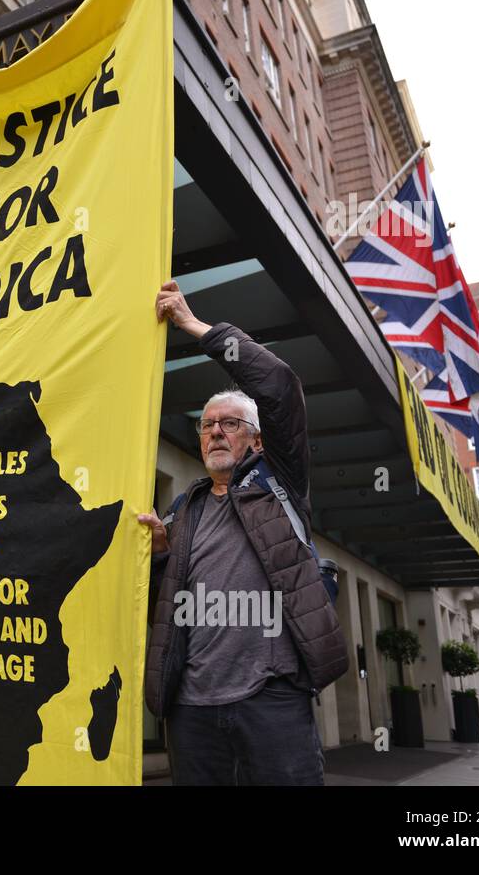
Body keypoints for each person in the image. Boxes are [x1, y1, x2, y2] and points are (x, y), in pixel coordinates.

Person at [138, 280, 348, 785]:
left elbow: (278, 384)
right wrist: (162, 556)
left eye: (229, 424)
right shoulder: (183, 509)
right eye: (207, 426)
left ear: (255, 437)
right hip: (191, 707)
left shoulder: (280, 479)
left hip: (270, 698)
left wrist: (192, 325)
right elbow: (161, 611)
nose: (215, 433)